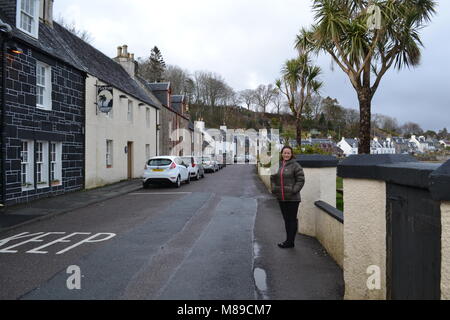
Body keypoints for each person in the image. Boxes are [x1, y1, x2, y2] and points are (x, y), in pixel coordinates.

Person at [270, 146, 305, 248]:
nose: (286, 155)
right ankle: (288, 240)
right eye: (284, 153)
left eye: (288, 153)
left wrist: (293, 190)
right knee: (286, 219)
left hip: (293, 198)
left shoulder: (296, 166)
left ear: (291, 154)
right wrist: (274, 189)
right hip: (281, 198)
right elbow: (272, 178)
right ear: (282, 154)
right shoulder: (277, 165)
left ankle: (290, 242)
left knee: (292, 219)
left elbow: (301, 180)